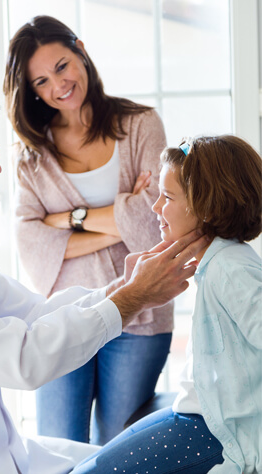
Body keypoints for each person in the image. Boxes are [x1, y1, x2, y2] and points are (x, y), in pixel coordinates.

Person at [0, 84, 207, 473]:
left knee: (117, 457)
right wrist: (133, 299)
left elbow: (35, 315)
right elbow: (20, 359)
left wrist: (124, 287)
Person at [3, 15, 174, 445]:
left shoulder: (141, 125)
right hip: (64, 315)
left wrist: (68, 222)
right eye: (40, 81)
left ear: (80, 48)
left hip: (141, 313)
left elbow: (158, 224)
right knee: (58, 445)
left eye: (61, 66)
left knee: (119, 450)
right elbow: (30, 239)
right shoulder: (33, 155)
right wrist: (123, 219)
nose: (57, 86)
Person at [71, 135, 262, 474]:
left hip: (214, 429)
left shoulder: (231, 269)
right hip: (191, 410)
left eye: (167, 197)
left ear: (207, 207)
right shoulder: (218, 261)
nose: (155, 207)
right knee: (82, 465)